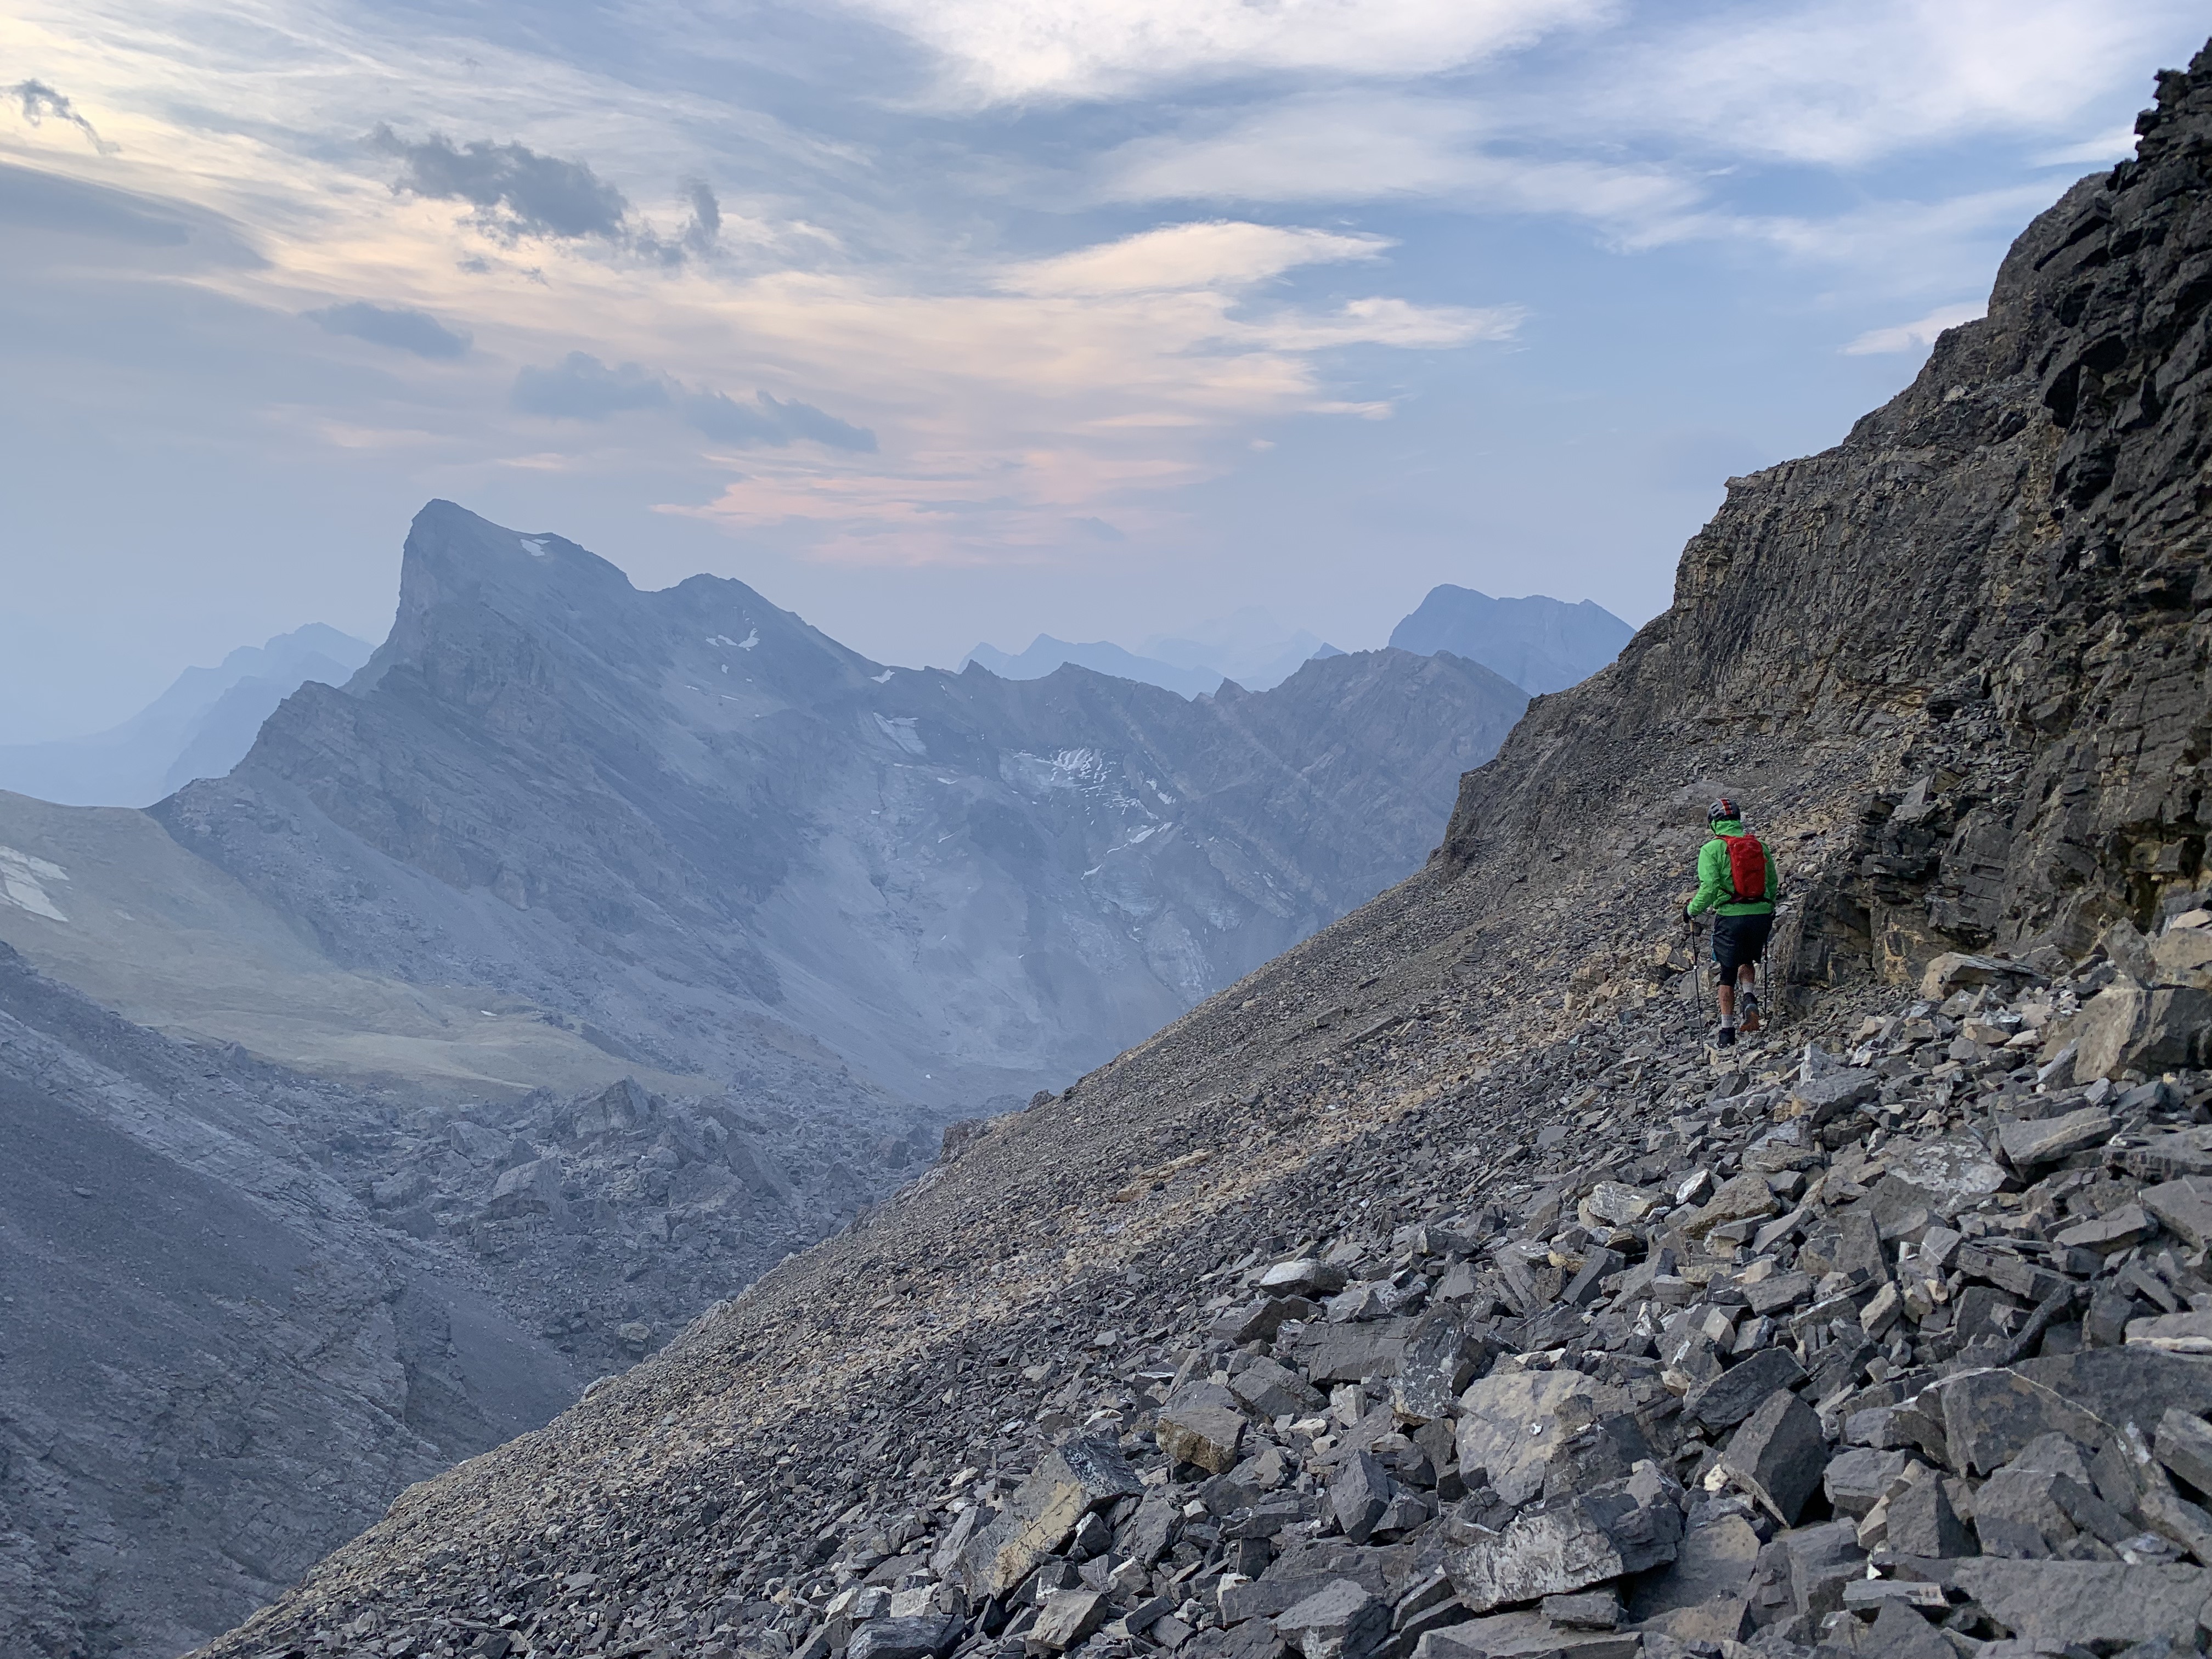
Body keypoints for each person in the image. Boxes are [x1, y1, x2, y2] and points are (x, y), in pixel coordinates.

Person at [1683, 798, 1778, 1047]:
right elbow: (1772, 883)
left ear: (1714, 824)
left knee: (1726, 973)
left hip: (1731, 917)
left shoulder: (1711, 850)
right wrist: (1767, 908)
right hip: (1760, 915)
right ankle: (1750, 997)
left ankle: (1727, 1033)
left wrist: (1692, 911)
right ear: (1738, 820)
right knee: (1747, 959)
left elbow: (1710, 887)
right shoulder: (1759, 846)